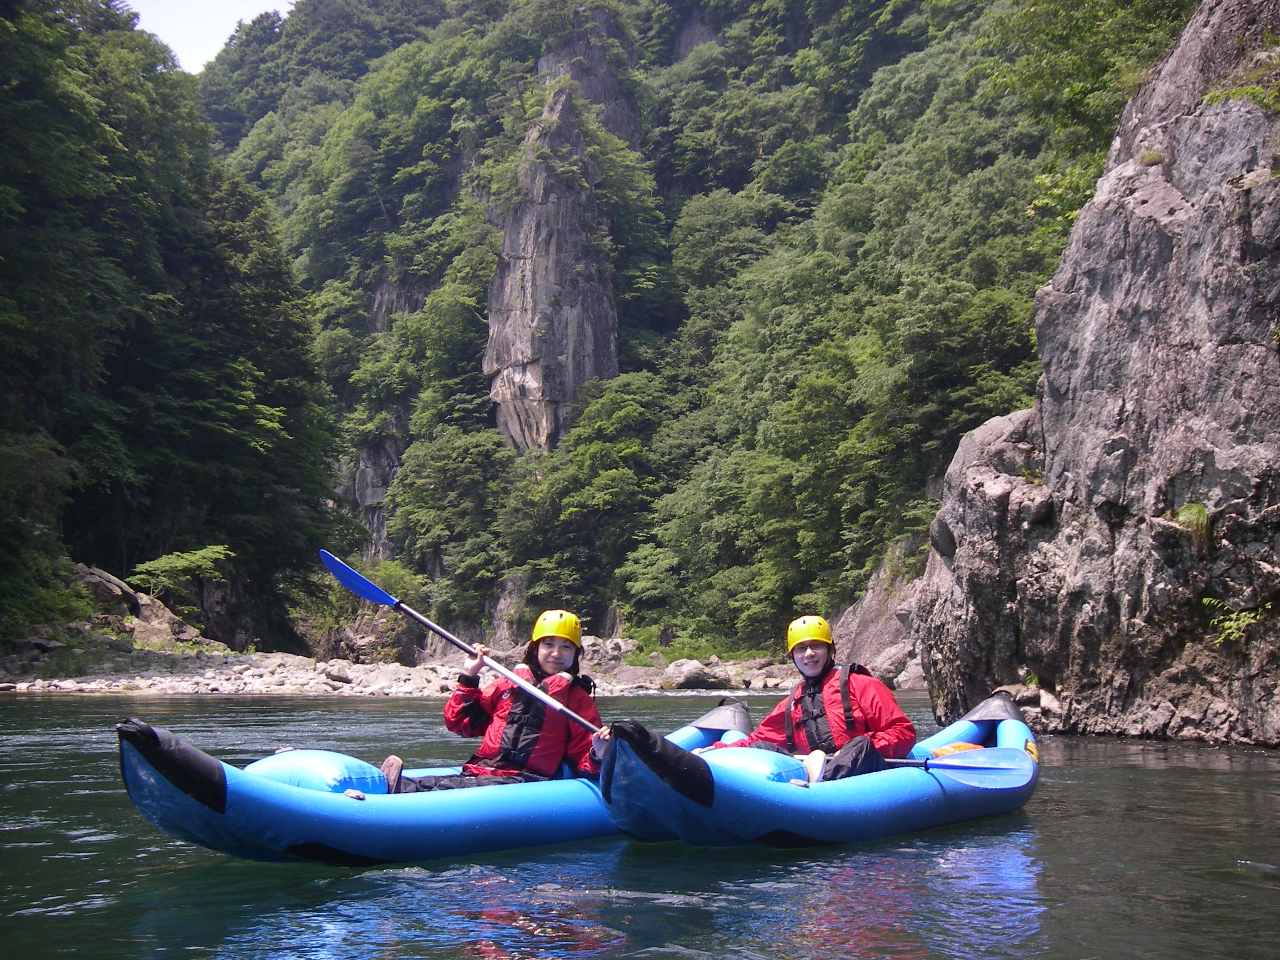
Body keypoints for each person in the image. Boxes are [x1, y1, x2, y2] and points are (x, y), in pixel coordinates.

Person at [381, 609, 609, 792]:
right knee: (453, 782)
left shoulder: (577, 700)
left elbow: (583, 761)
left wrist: (597, 752)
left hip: (527, 782)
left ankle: (399, 789)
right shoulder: (508, 683)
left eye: (566, 647)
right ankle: (383, 787)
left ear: (575, 654)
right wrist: (470, 676)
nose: (556, 653)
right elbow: (461, 724)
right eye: (549, 644)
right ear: (535, 648)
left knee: (453, 787)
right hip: (483, 772)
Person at [709, 615, 915, 782]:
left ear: (830, 649)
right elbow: (757, 740)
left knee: (860, 745)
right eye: (801, 648)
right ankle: (807, 781)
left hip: (863, 772)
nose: (809, 654)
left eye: (816, 645)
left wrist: (852, 751)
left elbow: (903, 732)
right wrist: (713, 751)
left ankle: (819, 782)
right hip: (813, 772)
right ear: (793, 656)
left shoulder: (862, 685)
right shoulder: (791, 703)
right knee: (760, 749)